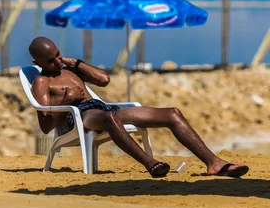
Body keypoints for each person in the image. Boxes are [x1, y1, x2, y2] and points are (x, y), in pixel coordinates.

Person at [29, 36, 249, 179]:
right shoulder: (42, 82)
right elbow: (46, 125)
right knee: (109, 118)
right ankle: (150, 163)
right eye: (51, 61)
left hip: (102, 109)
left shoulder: (70, 69)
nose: (57, 62)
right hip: (78, 117)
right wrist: (66, 100)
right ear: (38, 63)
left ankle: (214, 163)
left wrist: (75, 63)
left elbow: (104, 80)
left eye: (58, 55)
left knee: (172, 113)